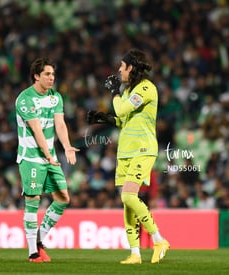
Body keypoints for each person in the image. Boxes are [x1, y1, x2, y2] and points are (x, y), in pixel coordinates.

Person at [87, 49, 170, 264]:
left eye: (121, 67)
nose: (118, 71)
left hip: (143, 150)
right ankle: (135, 253)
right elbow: (123, 119)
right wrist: (105, 119)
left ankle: (158, 239)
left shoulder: (146, 88)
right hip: (125, 152)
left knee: (128, 196)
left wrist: (114, 94)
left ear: (130, 68)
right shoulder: (129, 91)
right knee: (127, 204)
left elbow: (122, 109)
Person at [15, 57, 79, 262]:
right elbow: (36, 130)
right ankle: (33, 253)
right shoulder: (25, 99)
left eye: (53, 74)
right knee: (33, 200)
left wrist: (67, 146)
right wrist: (49, 155)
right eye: (47, 74)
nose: (52, 78)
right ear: (36, 76)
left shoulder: (55, 97)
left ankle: (39, 239)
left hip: (50, 158)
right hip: (31, 157)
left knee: (62, 198)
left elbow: (59, 125)